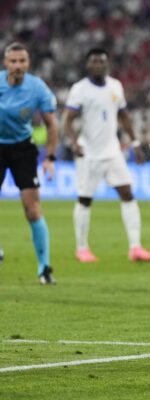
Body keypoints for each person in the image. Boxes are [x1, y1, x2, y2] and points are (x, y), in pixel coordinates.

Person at [63, 48, 150, 263]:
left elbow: (123, 115)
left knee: (127, 193)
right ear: (88, 65)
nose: (98, 65)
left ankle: (135, 247)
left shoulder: (116, 86)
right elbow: (67, 119)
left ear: (107, 64)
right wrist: (73, 142)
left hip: (112, 150)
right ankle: (82, 248)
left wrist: (134, 143)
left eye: (101, 62)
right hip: (89, 153)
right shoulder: (80, 89)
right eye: (94, 62)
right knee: (85, 199)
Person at [0, 42, 58, 285]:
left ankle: (44, 268)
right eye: (13, 61)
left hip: (23, 148)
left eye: (22, 61)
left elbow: (51, 124)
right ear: (5, 63)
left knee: (32, 209)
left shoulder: (37, 88)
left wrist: (50, 158)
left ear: (28, 62)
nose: (18, 66)